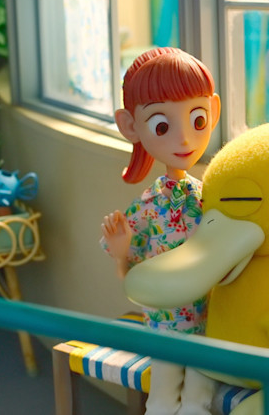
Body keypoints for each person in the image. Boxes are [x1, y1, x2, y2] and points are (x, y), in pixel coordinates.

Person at [100, 47, 221, 415]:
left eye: (197, 120)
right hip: (164, 326)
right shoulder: (147, 207)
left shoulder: (213, 197)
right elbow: (131, 281)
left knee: (198, 402)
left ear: (213, 111)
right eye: (163, 127)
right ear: (130, 126)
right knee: (162, 401)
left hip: (212, 323)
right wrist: (122, 252)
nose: (184, 140)